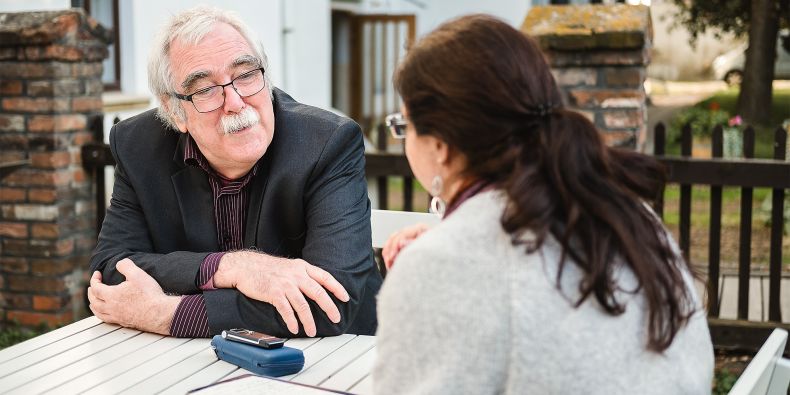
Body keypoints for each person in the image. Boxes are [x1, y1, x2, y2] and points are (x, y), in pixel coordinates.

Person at [373, 14, 714, 394]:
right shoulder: (627, 214)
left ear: (439, 144)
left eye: (404, 127)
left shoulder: (446, 264)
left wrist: (436, 261)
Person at [86, 6, 381, 339]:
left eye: (245, 75)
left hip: (339, 358)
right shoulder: (138, 145)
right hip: (188, 364)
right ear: (174, 110)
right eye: (205, 90)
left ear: (266, 78)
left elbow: (331, 302)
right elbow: (110, 271)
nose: (236, 102)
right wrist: (228, 267)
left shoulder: (327, 143)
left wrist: (169, 313)